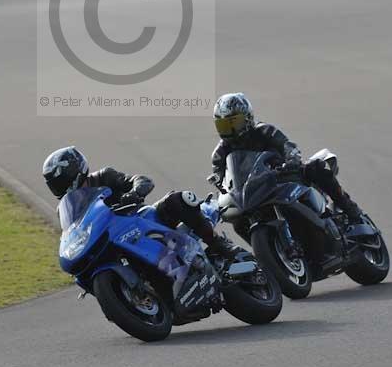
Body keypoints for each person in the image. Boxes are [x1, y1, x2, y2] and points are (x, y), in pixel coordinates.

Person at [42, 146, 243, 261]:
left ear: (77, 172)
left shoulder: (104, 176)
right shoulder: (65, 209)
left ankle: (218, 244)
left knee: (179, 199)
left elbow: (141, 180)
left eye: (65, 181)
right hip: (110, 240)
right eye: (57, 184)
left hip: (141, 220)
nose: (64, 188)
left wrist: (134, 193)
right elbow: (71, 232)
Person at [210, 93, 362, 223]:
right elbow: (220, 177)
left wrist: (292, 159)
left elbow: (287, 145)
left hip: (283, 176)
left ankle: (350, 209)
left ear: (248, 118)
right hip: (253, 191)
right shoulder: (220, 152)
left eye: (233, 123)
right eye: (223, 125)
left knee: (315, 167)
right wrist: (220, 188)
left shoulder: (264, 130)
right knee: (236, 218)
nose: (229, 130)